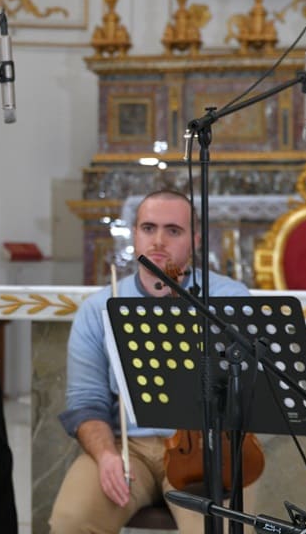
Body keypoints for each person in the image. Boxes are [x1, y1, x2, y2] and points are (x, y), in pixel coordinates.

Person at [48, 189, 253, 534]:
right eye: (148, 228)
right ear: (135, 234)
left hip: (205, 448)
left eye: (173, 230)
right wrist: (106, 455)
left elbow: (247, 392)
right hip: (129, 447)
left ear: (195, 240)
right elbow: (86, 402)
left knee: (219, 530)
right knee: (71, 521)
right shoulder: (100, 307)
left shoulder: (228, 298)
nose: (159, 240)